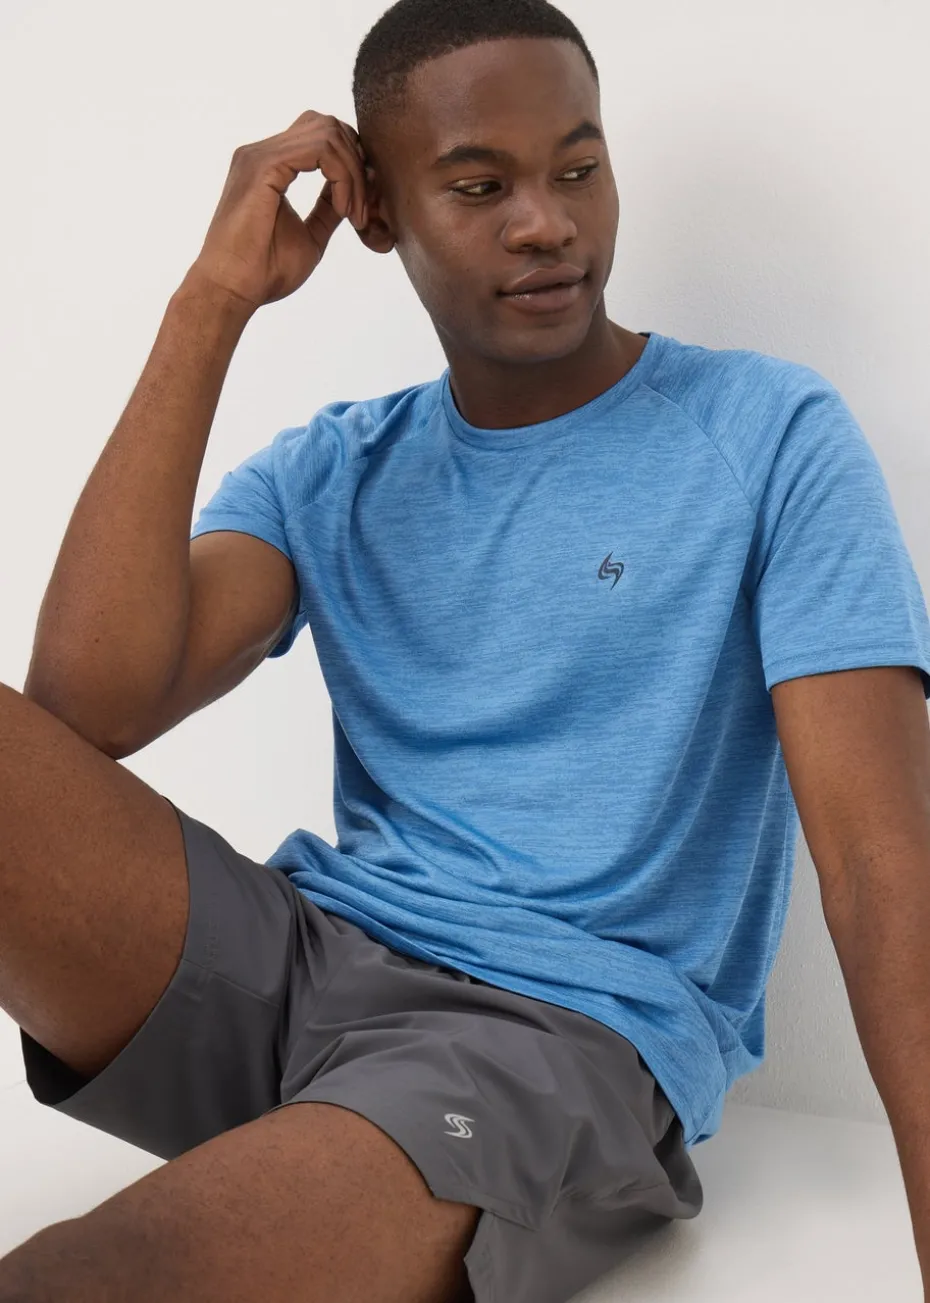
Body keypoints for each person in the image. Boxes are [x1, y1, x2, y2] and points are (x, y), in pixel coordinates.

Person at [3, 0, 930, 1299]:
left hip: (551, 1036)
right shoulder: (334, 466)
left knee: (85, 1273)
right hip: (305, 959)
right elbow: (79, 713)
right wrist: (210, 302)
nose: (546, 221)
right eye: (480, 185)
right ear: (376, 211)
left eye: (577, 167)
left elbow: (883, 871)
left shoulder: (767, 434)